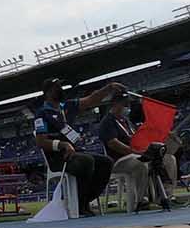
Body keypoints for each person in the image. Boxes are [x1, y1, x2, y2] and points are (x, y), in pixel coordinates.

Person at [33, 77, 124, 217]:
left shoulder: (67, 107)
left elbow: (90, 100)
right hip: (58, 157)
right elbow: (40, 141)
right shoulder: (42, 113)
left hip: (75, 153)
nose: (60, 90)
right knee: (86, 161)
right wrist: (62, 144)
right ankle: (80, 205)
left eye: (60, 86)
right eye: (56, 87)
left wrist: (109, 88)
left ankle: (86, 200)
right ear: (48, 93)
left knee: (106, 162)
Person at [99, 95, 178, 212]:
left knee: (169, 159)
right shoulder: (107, 122)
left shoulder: (127, 122)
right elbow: (113, 143)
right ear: (115, 104)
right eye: (125, 104)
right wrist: (135, 152)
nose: (128, 107)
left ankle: (165, 196)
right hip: (119, 161)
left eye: (129, 105)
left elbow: (138, 139)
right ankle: (142, 200)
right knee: (140, 161)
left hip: (137, 154)